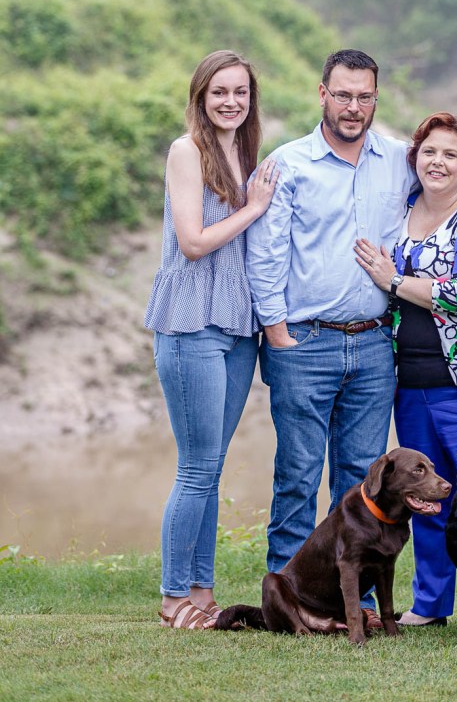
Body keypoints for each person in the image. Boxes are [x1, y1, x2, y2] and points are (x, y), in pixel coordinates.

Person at [245, 49, 416, 624]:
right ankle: (290, 602)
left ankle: (356, 605)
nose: (353, 106)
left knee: (362, 481)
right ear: (322, 93)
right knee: (296, 474)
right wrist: (277, 333)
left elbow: (445, 194)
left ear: (376, 97)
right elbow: (265, 254)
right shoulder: (287, 164)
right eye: (343, 94)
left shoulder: (399, 161)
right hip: (305, 342)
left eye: (365, 96)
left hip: (373, 345)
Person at [355, 112, 457, 627]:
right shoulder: (400, 210)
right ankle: (430, 606)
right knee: (424, 498)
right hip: (413, 384)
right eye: (429, 151)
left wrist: (394, 278)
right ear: (415, 158)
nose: (438, 162)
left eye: (451, 154)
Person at [145, 50, 278, 629]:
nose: (231, 101)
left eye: (240, 92)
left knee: (213, 464)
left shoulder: (245, 150)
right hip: (191, 320)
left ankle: (202, 592)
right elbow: (194, 242)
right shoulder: (186, 150)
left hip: (238, 325)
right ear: (201, 96)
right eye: (219, 91)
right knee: (196, 466)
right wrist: (253, 208)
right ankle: (174, 598)